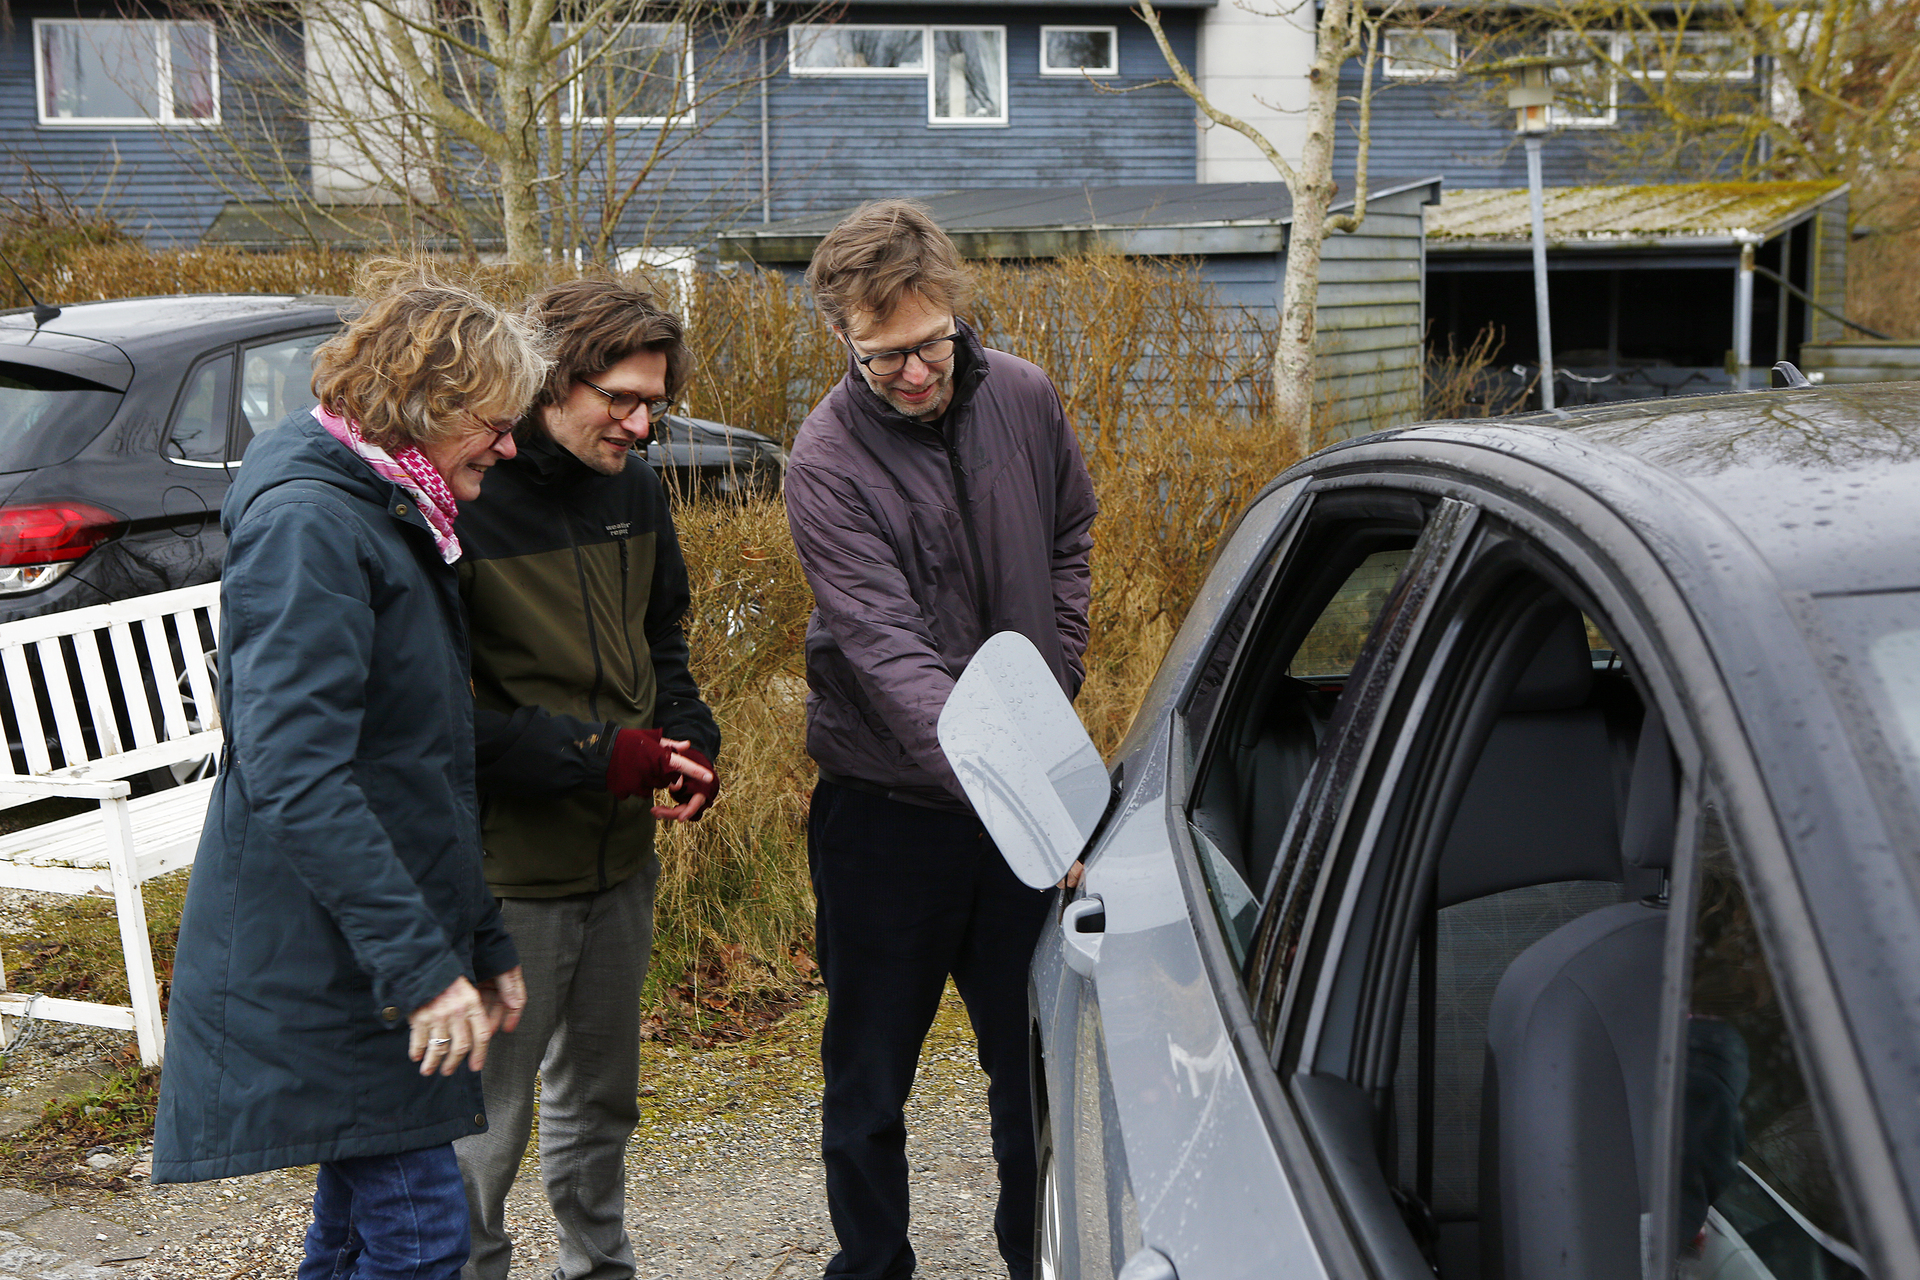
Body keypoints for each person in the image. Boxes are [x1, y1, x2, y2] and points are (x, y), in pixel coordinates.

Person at [153, 266, 551, 1280]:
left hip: (367, 952)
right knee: (420, 1237)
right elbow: (297, 771)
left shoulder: (386, 511)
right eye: (496, 423)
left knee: (353, 1234)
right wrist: (423, 972)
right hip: (333, 965)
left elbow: (419, 768)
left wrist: (480, 938)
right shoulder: (315, 526)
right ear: (426, 408)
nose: (509, 447)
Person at [784, 199, 1098, 1280]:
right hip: (888, 815)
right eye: (883, 359)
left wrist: (1056, 679)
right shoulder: (823, 462)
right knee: (868, 1078)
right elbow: (891, 655)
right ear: (841, 336)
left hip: (1023, 811)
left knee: (1037, 1069)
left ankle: (1038, 1259)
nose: (914, 374)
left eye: (926, 345)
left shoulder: (1023, 394)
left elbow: (1069, 537)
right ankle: (873, 1267)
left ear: (953, 307)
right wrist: (1013, 784)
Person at [451, 278, 721, 1280]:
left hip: (621, 865)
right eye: (620, 399)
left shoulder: (635, 488)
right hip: (505, 875)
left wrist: (690, 736)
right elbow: (446, 723)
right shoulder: (468, 495)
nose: (642, 424)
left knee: (601, 1102)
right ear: (554, 380)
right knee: (482, 1128)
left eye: (654, 401)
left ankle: (597, 1268)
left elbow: (665, 637)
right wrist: (608, 759)